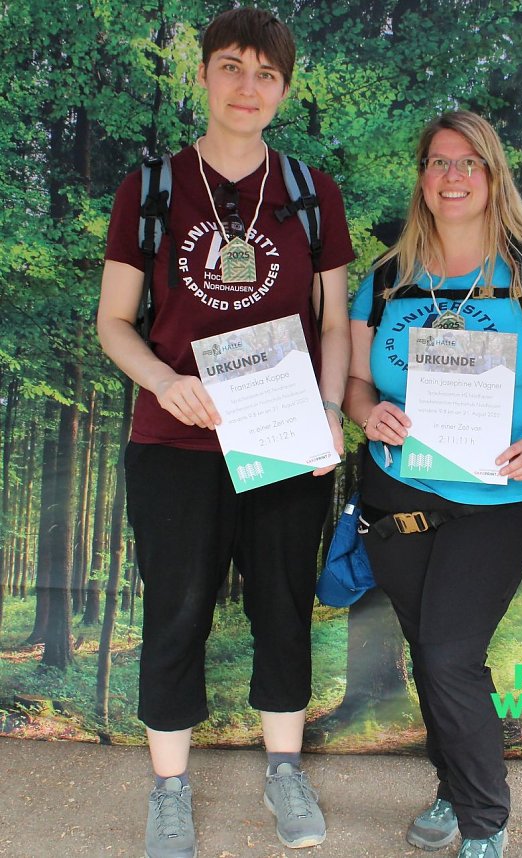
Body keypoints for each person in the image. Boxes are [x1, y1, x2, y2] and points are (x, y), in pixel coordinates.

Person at [97, 9, 354, 857]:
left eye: (267, 74)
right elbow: (113, 323)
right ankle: (168, 789)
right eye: (233, 67)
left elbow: (337, 324)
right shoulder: (154, 187)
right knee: (176, 614)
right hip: (174, 446)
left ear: (284, 89)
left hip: (283, 441)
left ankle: (285, 771)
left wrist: (326, 410)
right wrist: (166, 381)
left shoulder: (312, 193)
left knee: (284, 611)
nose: (249, 87)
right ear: (203, 75)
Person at [344, 111, 522, 858]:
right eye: (439, 161)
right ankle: (453, 787)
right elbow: (356, 381)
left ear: (492, 177)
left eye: (469, 163)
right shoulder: (386, 279)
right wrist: (367, 413)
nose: (452, 176)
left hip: (495, 499)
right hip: (399, 500)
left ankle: (484, 821)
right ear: (422, 175)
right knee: (429, 653)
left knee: (450, 653)